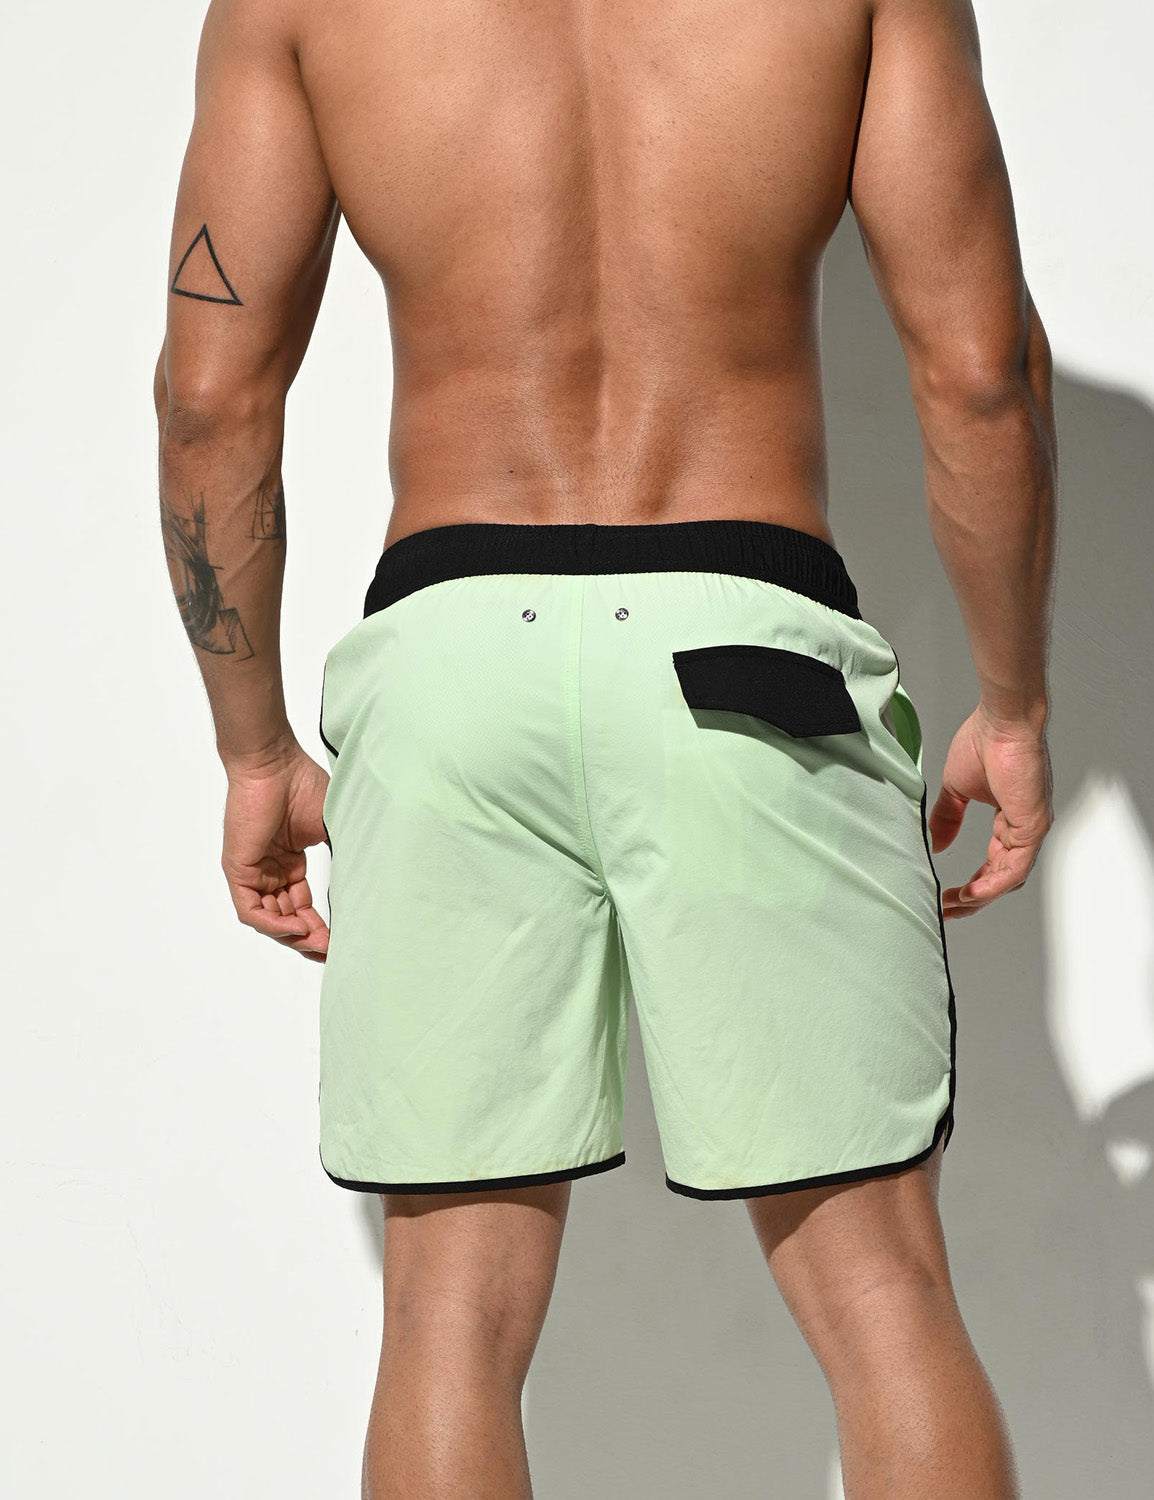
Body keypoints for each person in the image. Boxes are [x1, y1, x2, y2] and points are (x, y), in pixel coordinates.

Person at [154, 0, 1055, 1493]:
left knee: (445, 1326)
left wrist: (254, 752)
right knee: (882, 1297)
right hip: (750, 658)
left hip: (449, 667)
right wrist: (1012, 707)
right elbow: (979, 370)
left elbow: (207, 401)